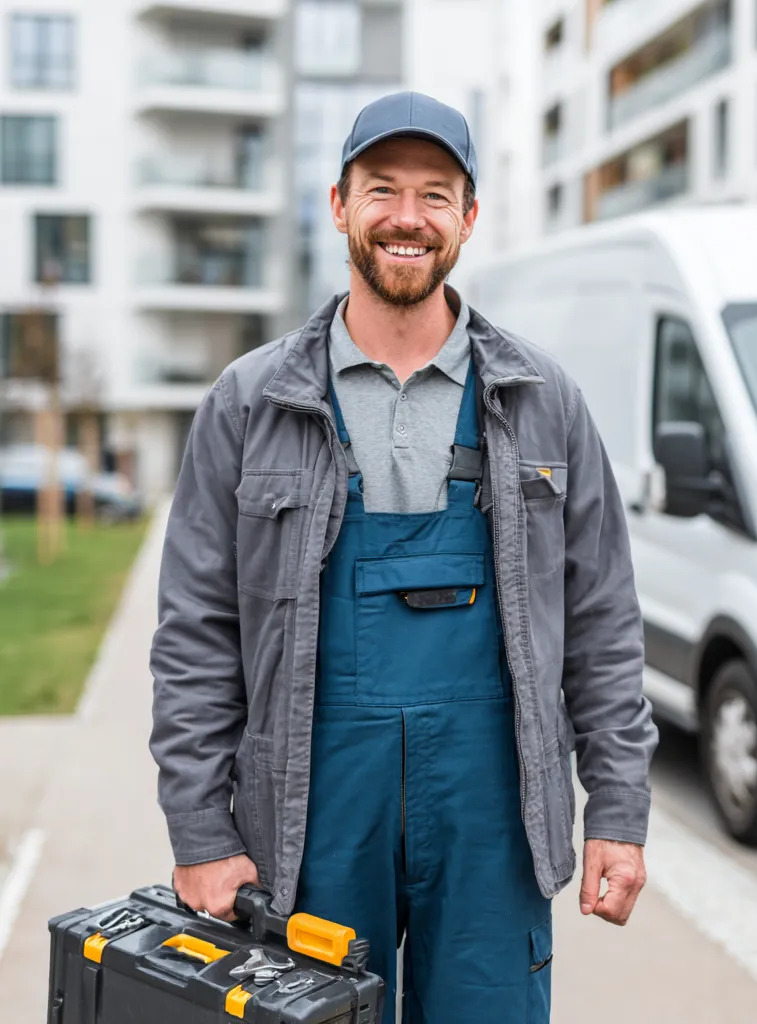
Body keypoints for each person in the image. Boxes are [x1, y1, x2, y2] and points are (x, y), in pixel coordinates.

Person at [150, 91, 658, 1024]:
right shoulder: (250, 402)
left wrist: (618, 815)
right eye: (382, 188)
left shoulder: (545, 401)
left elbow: (603, 627)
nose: (407, 217)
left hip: (492, 817)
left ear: (467, 218)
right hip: (306, 820)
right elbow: (195, 637)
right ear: (340, 206)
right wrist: (199, 829)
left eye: (436, 194)